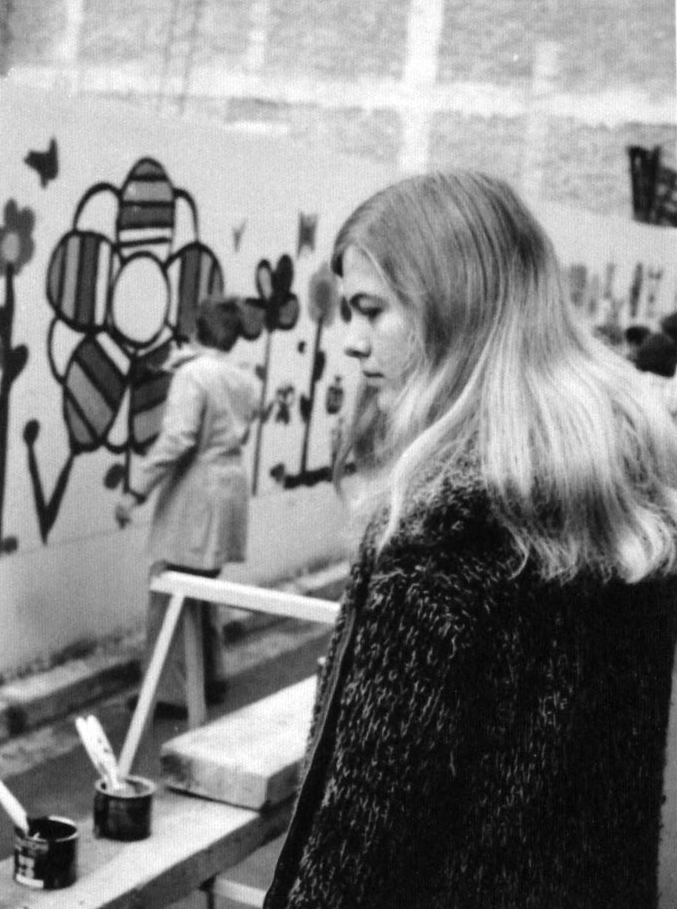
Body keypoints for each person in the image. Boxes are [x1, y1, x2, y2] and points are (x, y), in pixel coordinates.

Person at [263, 171, 677, 909]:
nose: (351, 342)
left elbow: (360, 838)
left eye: (371, 310)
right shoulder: (618, 486)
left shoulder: (439, 533)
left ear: (456, 310)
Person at [115, 296, 258, 713]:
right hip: (229, 490)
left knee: (170, 592)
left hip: (195, 494)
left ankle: (170, 693)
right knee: (203, 588)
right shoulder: (241, 377)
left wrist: (135, 491)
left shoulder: (193, 375)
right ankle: (211, 676)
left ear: (197, 329)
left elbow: (178, 437)